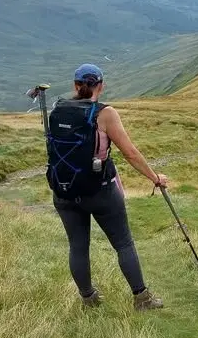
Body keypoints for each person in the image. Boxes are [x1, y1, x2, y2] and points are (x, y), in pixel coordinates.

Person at [51, 64, 167, 310]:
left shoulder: (58, 109)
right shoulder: (105, 113)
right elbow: (131, 153)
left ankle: (88, 298)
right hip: (99, 190)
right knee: (123, 243)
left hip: (64, 191)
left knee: (78, 246)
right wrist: (154, 177)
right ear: (100, 86)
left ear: (75, 85)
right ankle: (142, 299)